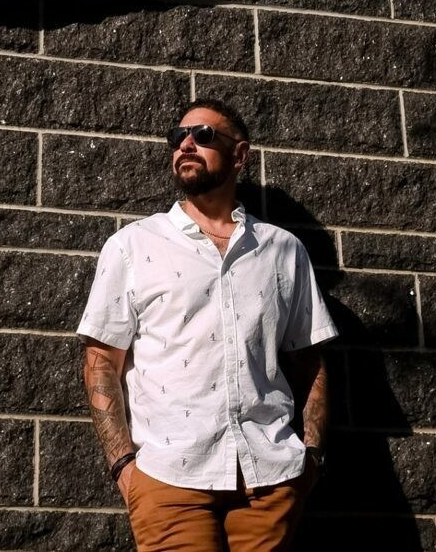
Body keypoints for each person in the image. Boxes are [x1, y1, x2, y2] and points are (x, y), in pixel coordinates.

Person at [77, 99, 335, 552]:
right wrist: (124, 467)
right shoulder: (132, 246)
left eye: (204, 135)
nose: (186, 144)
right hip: (169, 478)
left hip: (270, 478)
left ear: (240, 155)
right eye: (178, 137)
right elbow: (101, 361)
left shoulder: (283, 250)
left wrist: (309, 456)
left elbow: (308, 359)